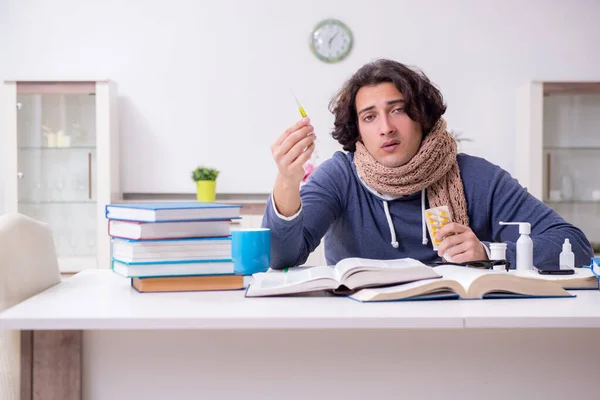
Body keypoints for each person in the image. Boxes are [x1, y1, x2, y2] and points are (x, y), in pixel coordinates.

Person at [262, 59, 593, 270]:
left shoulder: (476, 177)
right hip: (362, 338)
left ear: (422, 115)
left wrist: (490, 251)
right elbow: (280, 258)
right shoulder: (340, 176)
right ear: (357, 130)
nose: (386, 128)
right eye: (369, 116)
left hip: (459, 337)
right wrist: (287, 182)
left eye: (398, 110)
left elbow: (573, 244)